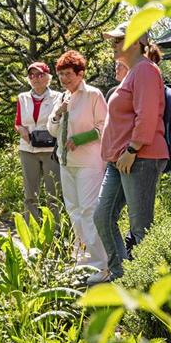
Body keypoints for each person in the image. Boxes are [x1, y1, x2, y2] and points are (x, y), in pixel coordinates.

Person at [92, 24, 169, 283]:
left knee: (141, 227)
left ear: (137, 42)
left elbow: (147, 114)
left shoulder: (146, 70)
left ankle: (148, 287)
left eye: (119, 40)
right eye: (112, 40)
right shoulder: (131, 73)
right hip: (120, 160)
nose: (113, 44)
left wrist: (133, 149)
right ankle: (121, 276)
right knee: (102, 216)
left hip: (139, 158)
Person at [47, 51, 108, 274]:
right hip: (66, 162)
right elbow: (51, 129)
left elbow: (104, 127)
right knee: (73, 211)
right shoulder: (62, 97)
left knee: (89, 212)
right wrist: (58, 114)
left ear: (80, 73)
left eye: (68, 74)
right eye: (61, 75)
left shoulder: (93, 95)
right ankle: (82, 260)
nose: (64, 79)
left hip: (89, 162)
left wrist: (81, 139)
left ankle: (101, 265)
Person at [15, 62, 63, 221]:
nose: (35, 78)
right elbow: (18, 121)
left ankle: (55, 231)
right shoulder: (22, 97)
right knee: (30, 194)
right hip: (28, 149)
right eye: (32, 75)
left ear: (48, 77)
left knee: (53, 193)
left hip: (51, 150)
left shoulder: (58, 96)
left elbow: (61, 120)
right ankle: (32, 230)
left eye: (40, 75)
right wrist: (21, 130)